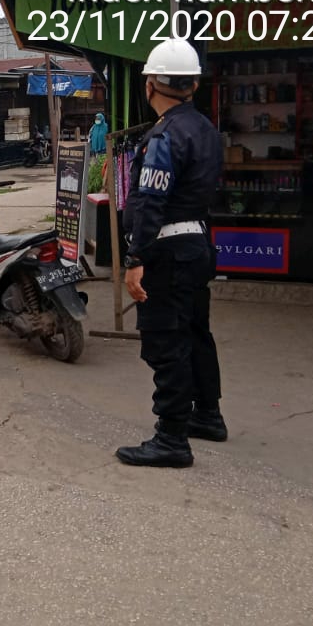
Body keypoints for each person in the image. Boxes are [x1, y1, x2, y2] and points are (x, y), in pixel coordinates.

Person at [116, 39, 226, 469]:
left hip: (168, 250)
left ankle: (172, 439)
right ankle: (208, 415)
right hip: (197, 245)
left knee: (167, 341)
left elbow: (149, 200)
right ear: (193, 84)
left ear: (150, 85)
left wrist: (135, 258)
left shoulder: (163, 136)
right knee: (197, 333)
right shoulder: (205, 129)